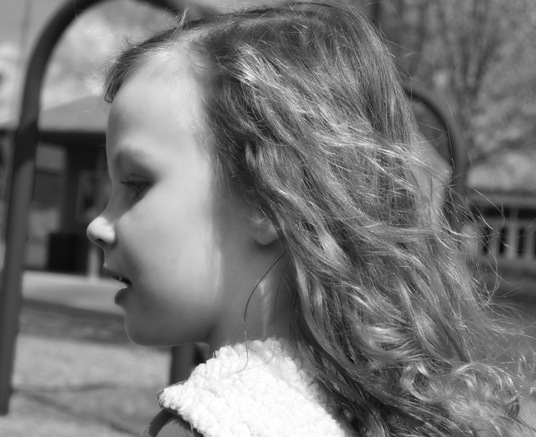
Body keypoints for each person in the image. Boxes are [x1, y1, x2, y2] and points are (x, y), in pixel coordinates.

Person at [86, 2, 534, 436]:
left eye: (137, 184)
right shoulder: (386, 409)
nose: (97, 226)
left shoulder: (206, 423)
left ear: (267, 198)